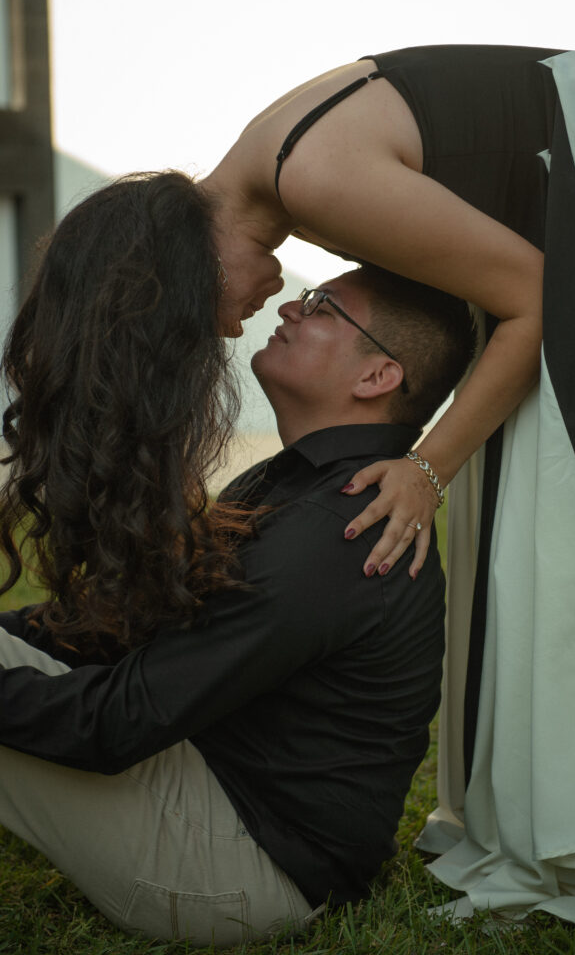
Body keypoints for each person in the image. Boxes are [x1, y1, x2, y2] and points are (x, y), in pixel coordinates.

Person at [195, 44, 575, 925]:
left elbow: (536, 297)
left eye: (207, 308)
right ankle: (535, 818)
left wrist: (427, 467)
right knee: (519, 482)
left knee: (569, 506)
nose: (236, 323)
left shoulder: (313, 180)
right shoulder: (280, 171)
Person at [0, 264, 477, 947]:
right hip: (211, 795)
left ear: (377, 377)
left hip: (246, 870)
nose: (288, 308)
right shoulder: (295, 482)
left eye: (322, 306)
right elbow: (129, 629)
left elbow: (114, 725)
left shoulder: (342, 532)